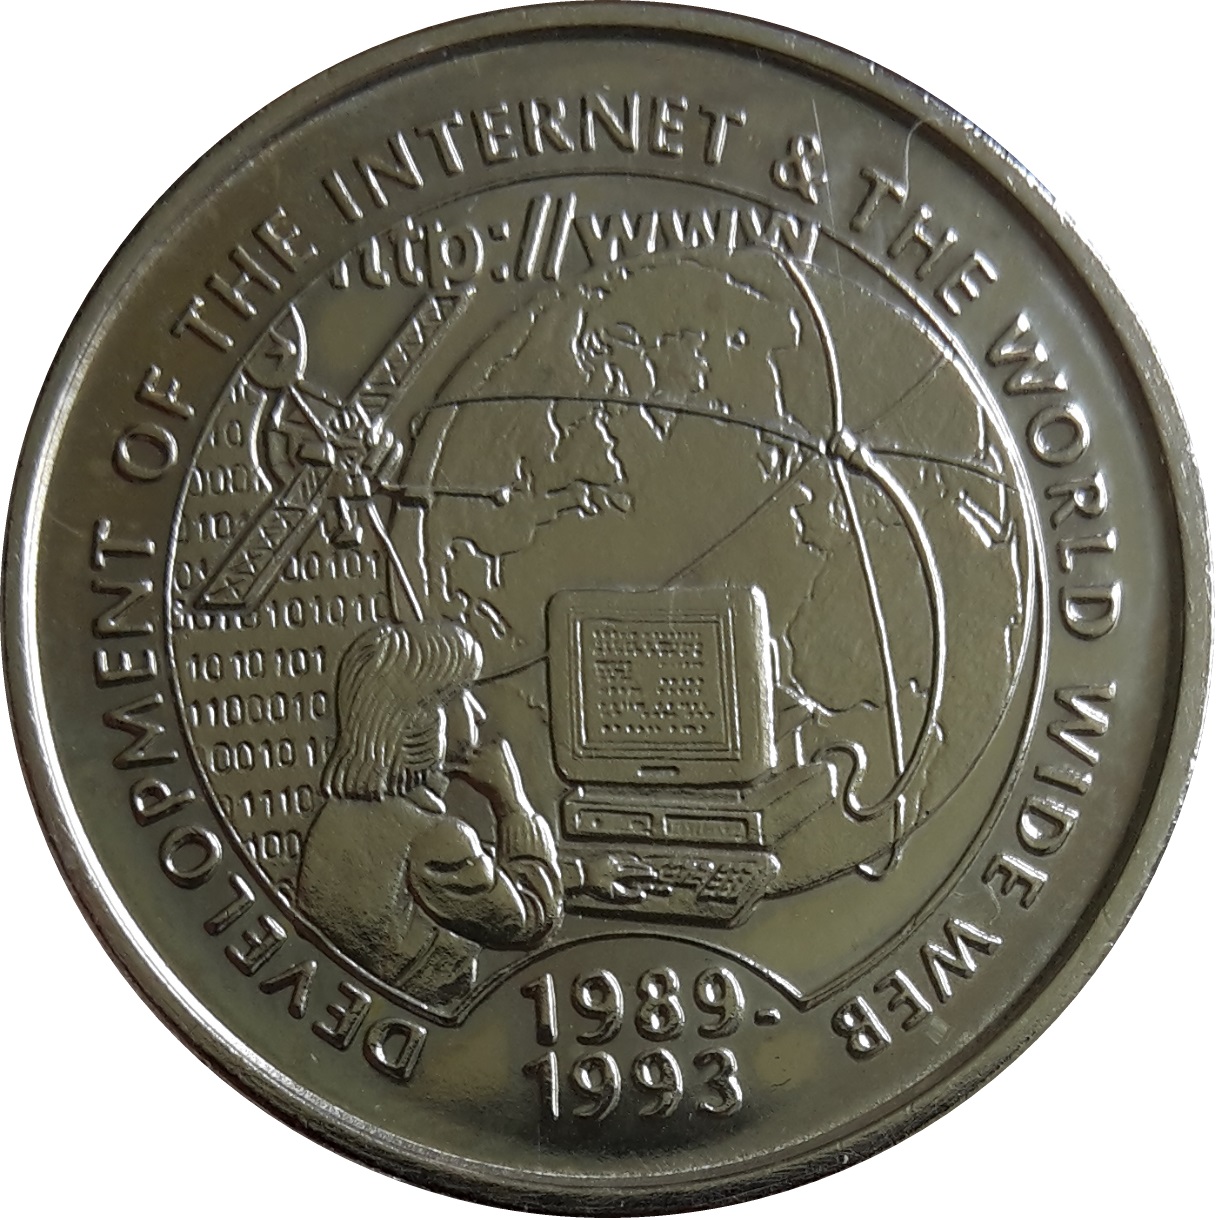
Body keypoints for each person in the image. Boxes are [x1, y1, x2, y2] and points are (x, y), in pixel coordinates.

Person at [296, 619, 562, 1007]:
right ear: (423, 716)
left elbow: (474, 876)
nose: (478, 713)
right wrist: (512, 804)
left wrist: (582, 876)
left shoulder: (336, 817)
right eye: (461, 694)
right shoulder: (438, 839)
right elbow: (531, 918)